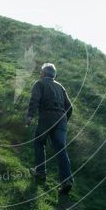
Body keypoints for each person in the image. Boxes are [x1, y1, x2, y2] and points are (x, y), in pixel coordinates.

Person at [25, 62, 73, 194]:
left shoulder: (39, 84)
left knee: (39, 143)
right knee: (61, 150)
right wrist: (64, 122)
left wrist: (29, 116)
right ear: (54, 75)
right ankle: (67, 181)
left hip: (47, 117)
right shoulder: (60, 87)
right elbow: (70, 107)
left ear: (43, 73)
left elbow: (34, 99)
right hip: (61, 120)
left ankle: (40, 172)